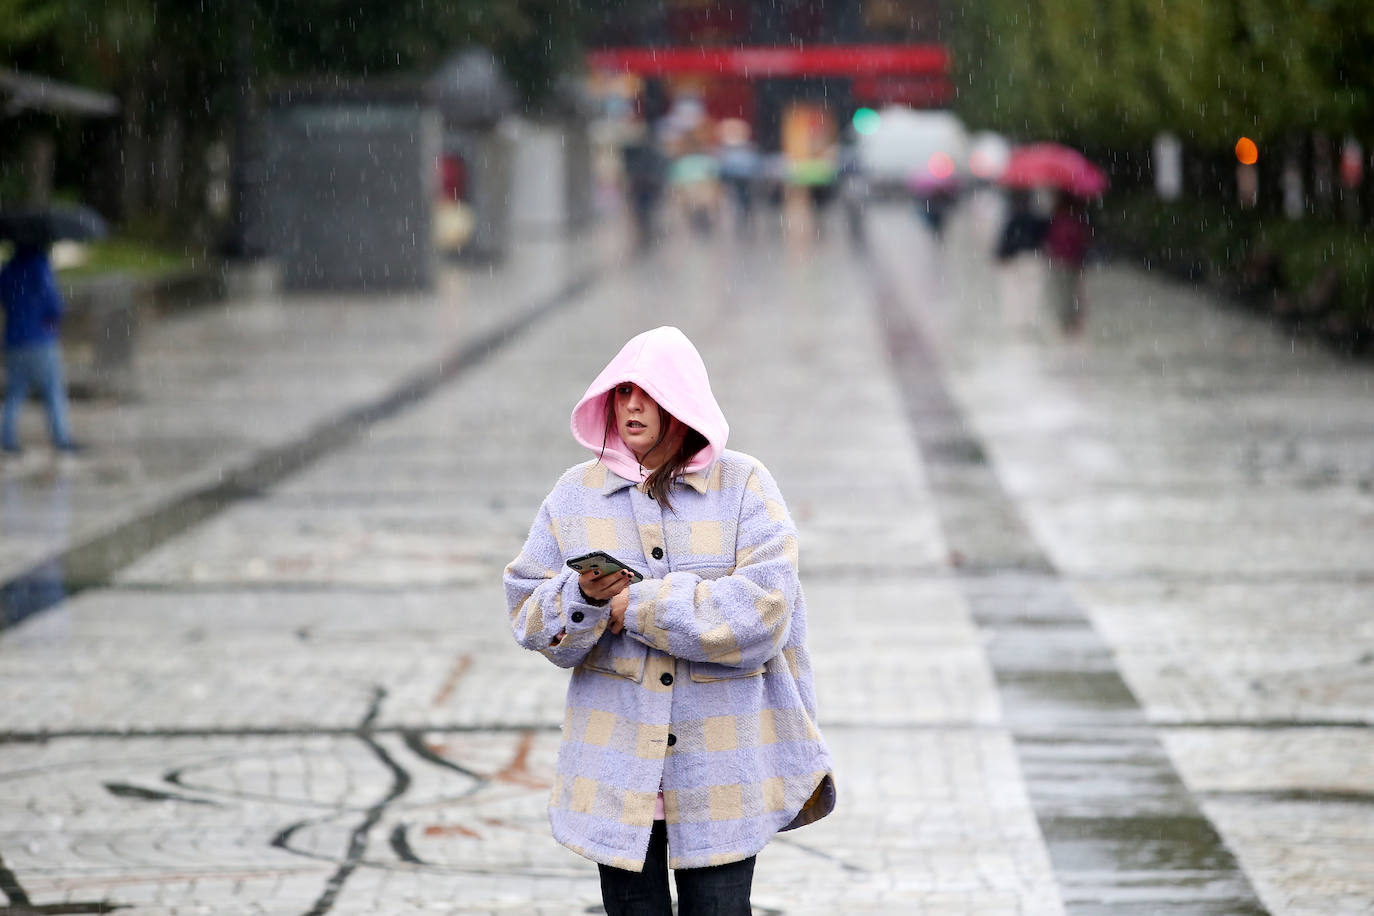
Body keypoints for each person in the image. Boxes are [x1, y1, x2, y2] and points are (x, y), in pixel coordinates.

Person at [505, 326, 836, 916]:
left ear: (681, 402)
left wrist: (640, 607)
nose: (631, 405)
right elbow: (530, 615)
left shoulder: (744, 486)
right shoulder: (575, 495)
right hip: (617, 778)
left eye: (648, 393)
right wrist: (583, 597)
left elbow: (766, 612)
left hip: (722, 776)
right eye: (622, 393)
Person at [1, 242, 78, 456]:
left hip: (14, 341)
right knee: (53, 391)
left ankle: (7, 438)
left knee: (14, 393)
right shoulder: (40, 268)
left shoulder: (7, 270)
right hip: (41, 341)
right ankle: (61, 439)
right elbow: (54, 305)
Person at [1042, 193, 1091, 334]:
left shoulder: (1057, 218)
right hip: (1073, 260)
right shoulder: (1077, 218)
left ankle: (1066, 321)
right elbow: (1084, 239)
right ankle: (1072, 320)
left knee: (1063, 291)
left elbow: (1051, 238)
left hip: (1061, 260)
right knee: (1072, 291)